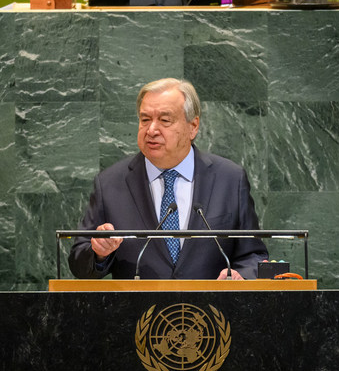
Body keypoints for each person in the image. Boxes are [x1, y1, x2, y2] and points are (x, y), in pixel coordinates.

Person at [69, 78, 268, 280]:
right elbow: (78, 262)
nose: (152, 130)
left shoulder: (230, 179)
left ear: (193, 126)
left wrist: (241, 276)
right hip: (137, 310)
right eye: (145, 119)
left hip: (211, 309)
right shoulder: (110, 183)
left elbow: (253, 254)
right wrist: (99, 253)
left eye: (165, 120)